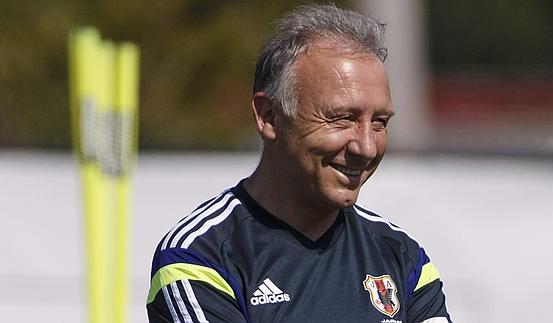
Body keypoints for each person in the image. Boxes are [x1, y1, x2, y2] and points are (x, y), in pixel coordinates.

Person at [147, 4, 452, 323]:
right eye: (342, 119)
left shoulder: (401, 256)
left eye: (379, 122)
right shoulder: (200, 256)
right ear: (269, 116)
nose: (365, 146)